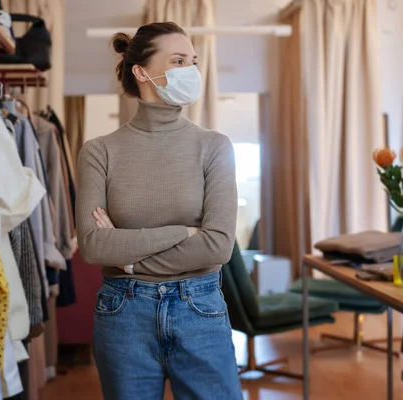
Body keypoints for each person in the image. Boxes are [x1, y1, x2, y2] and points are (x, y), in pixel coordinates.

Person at [75, 21, 242, 400]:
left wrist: (130, 257)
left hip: (199, 308)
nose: (191, 71)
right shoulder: (99, 152)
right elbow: (93, 246)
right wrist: (183, 233)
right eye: (179, 60)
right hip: (123, 314)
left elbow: (217, 246)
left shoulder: (215, 147)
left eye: (193, 61)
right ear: (142, 72)